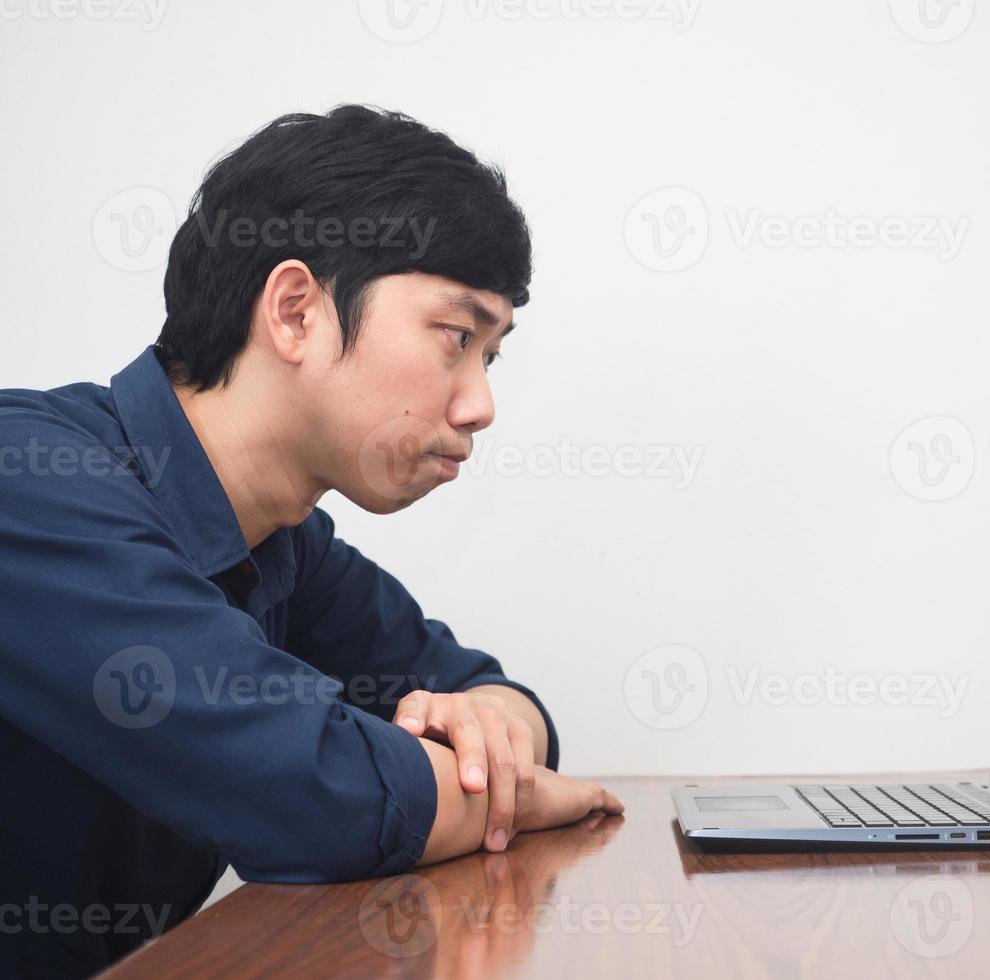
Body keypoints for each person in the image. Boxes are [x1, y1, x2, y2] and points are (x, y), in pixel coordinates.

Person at [0, 104, 623, 978]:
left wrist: (492, 742)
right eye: (456, 338)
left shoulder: (288, 542)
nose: (480, 404)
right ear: (295, 310)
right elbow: (308, 798)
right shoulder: (25, 480)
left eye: (493, 355)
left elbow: (487, 693)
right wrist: (518, 799)